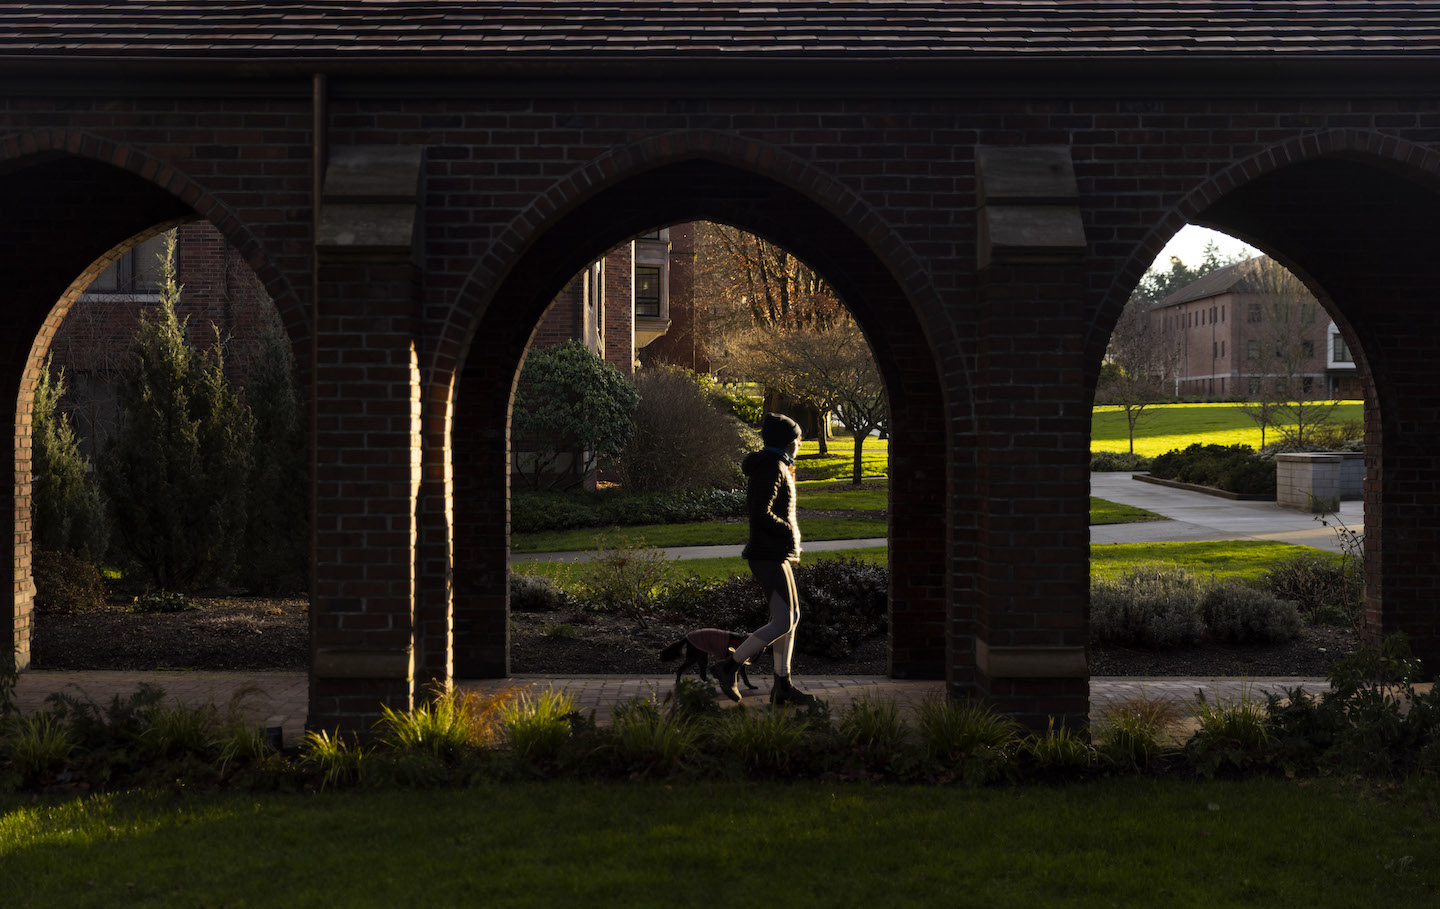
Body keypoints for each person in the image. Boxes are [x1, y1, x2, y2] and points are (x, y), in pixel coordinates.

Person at [710, 412, 819, 707]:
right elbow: (760, 511)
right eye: (797, 440)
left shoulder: (777, 466)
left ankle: (782, 685)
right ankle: (729, 666)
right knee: (784, 620)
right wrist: (787, 532)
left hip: (775, 554)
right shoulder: (772, 467)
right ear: (787, 441)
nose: (799, 445)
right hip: (767, 554)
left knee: (790, 619)